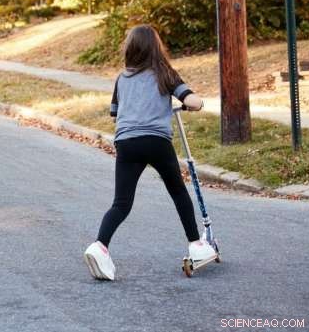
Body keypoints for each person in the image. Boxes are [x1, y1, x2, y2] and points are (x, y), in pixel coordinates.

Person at [83, 25, 216, 281]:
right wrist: (196, 104)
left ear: (130, 49)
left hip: (126, 143)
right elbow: (191, 100)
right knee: (178, 192)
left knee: (121, 203)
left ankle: (99, 246)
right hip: (156, 140)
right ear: (156, 48)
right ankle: (196, 245)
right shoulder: (164, 73)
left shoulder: (122, 79)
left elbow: (114, 112)